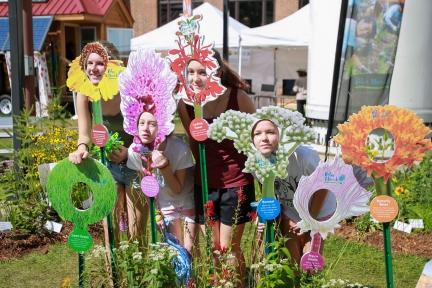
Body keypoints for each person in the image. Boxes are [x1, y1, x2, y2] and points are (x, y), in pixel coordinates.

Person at [177, 50, 256, 285]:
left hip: (237, 182)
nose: (195, 78)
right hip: (205, 184)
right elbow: (192, 141)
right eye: (190, 72)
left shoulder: (238, 97)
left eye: (202, 72)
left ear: (217, 72)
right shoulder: (186, 104)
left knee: (229, 248)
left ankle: (236, 283)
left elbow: (258, 135)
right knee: (213, 246)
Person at [67, 41, 147, 245]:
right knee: (111, 233)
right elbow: (84, 135)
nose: (93, 69)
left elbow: (148, 131)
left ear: (113, 67)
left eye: (100, 63)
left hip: (135, 165)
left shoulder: (131, 90)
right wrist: (81, 149)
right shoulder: (85, 94)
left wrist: (129, 152)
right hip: (107, 167)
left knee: (136, 233)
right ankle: (114, 277)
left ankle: (137, 276)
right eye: (89, 63)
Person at [252, 119, 336, 268]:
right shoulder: (254, 163)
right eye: (257, 133)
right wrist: (263, 217)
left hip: (318, 207)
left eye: (270, 132)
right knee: (292, 259)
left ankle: (310, 282)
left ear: (281, 135)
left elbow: (323, 185)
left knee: (310, 258)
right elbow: (268, 193)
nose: (264, 138)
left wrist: (310, 218)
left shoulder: (302, 156)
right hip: (291, 208)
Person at [127, 111, 200, 258]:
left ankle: (194, 281)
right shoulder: (134, 151)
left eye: (152, 124)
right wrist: (156, 214)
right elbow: (147, 186)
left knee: (190, 250)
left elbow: (177, 189)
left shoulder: (180, 149)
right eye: (141, 123)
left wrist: (164, 167)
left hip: (187, 199)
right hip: (165, 202)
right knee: (175, 250)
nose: (145, 128)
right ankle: (177, 282)